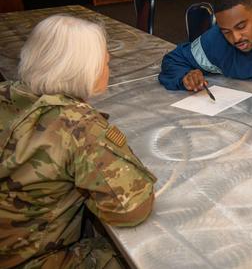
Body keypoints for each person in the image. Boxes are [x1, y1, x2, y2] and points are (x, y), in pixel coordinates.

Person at [0, 15, 156, 268]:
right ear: (86, 70)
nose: (109, 64)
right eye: (105, 61)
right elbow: (131, 208)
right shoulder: (77, 125)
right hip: (31, 259)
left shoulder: (6, 92)